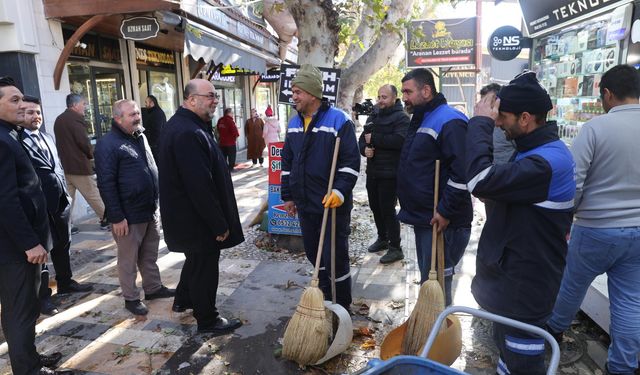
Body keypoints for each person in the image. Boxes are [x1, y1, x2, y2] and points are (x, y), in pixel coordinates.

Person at [466, 71, 575, 375]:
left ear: (525, 118)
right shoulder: (532, 151)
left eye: (502, 117)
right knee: (509, 359)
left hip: (525, 289)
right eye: (495, 118)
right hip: (512, 281)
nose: (498, 123)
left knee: (523, 361)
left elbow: (479, 180)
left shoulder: (546, 162)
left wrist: (480, 123)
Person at [546, 65, 640, 375]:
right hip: (638, 232)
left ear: (608, 94)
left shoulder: (595, 129)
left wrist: (569, 216)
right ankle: (623, 366)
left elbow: (574, 183)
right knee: (630, 302)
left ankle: (554, 333)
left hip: (595, 228)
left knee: (572, 285)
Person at [158, 79, 244, 333]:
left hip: (189, 217)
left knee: (196, 261)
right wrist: (218, 223)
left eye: (215, 96)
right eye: (210, 96)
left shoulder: (190, 125)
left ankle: (183, 301)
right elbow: (199, 185)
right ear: (191, 99)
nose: (215, 100)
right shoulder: (188, 131)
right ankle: (208, 319)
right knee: (205, 265)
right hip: (196, 218)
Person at [0, 77, 68, 375]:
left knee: (26, 309)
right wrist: (30, 242)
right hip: (14, 249)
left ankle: (31, 359)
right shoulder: (1, 141)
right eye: (14, 100)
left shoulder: (10, 135)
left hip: (21, 245)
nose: (22, 105)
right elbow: (6, 200)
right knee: (20, 312)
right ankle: (28, 370)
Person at [281, 64, 360, 312]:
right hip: (306, 203)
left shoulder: (339, 121)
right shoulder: (294, 123)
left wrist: (339, 191)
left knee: (334, 257)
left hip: (331, 204)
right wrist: (289, 196)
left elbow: (350, 163)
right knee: (314, 254)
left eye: (297, 92)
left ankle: (342, 304)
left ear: (312, 94)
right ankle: (324, 296)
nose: (293, 96)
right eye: (292, 91)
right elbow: (287, 164)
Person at [396, 68, 472, 306]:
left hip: (443, 221)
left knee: (438, 284)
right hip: (425, 218)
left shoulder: (450, 120)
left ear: (426, 90)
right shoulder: (422, 118)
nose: (404, 97)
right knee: (430, 282)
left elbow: (462, 172)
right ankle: (430, 330)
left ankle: (441, 335)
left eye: (408, 91)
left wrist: (445, 211)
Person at [94, 100, 175, 316]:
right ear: (118, 118)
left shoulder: (140, 137)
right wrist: (117, 216)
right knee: (128, 260)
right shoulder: (107, 144)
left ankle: (153, 288)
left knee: (149, 254)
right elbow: (106, 183)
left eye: (138, 113)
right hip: (127, 216)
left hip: (148, 209)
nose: (138, 117)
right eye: (132, 115)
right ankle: (131, 298)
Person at [20, 96, 93, 316]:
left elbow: (56, 166)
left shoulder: (47, 137)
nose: (36, 116)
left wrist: (66, 197)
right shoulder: (16, 141)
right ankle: (42, 298)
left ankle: (65, 281)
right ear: (21, 114)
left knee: (64, 244)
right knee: (42, 254)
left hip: (60, 201)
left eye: (38, 112)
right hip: (38, 207)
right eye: (30, 113)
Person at [358, 84, 409, 264]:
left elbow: (401, 140)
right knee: (375, 207)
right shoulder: (374, 115)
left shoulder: (402, 118)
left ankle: (396, 247)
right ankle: (382, 238)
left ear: (394, 98)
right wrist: (364, 150)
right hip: (372, 171)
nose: (380, 100)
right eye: (379, 96)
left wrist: (376, 141)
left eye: (384, 97)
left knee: (388, 210)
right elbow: (362, 139)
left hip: (390, 173)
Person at [53, 93, 108, 232]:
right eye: (83, 104)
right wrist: (91, 155)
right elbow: (83, 142)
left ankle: (66, 225)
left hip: (65, 166)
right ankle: (107, 219)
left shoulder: (59, 119)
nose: (85, 107)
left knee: (67, 199)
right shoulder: (75, 120)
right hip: (79, 166)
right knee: (93, 195)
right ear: (75, 105)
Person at [478, 83, 516, 217]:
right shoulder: (481, 126)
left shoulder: (508, 126)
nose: (485, 107)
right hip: (489, 192)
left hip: (508, 192)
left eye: (488, 102)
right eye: (483, 102)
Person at [141, 95, 166, 160]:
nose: (145, 104)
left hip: (156, 147)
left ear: (152, 103)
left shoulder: (156, 114)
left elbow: (156, 131)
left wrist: (151, 145)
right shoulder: (154, 113)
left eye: (146, 102)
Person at [217, 107, 239, 172]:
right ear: (228, 113)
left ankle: (224, 168)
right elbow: (235, 132)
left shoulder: (220, 120)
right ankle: (230, 168)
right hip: (230, 143)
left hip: (222, 142)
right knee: (231, 156)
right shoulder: (230, 121)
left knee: (223, 156)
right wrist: (235, 139)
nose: (232, 114)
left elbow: (218, 129)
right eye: (232, 113)